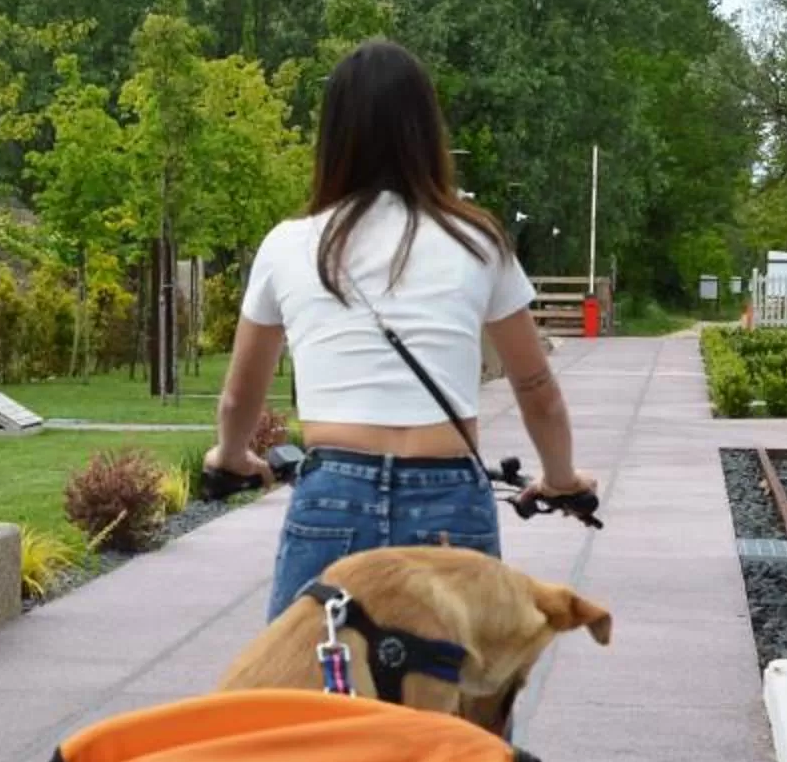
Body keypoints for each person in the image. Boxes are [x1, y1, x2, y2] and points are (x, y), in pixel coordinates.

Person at [206, 38, 596, 621]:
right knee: (464, 699)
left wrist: (231, 454)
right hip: (449, 498)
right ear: (425, 132)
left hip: (333, 494)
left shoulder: (288, 244)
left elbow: (241, 394)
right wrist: (561, 478)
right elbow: (537, 388)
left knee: (302, 691)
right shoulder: (477, 240)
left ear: (333, 136)